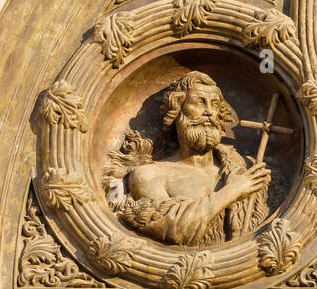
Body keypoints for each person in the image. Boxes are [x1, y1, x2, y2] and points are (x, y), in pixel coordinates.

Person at [113, 71, 270, 245]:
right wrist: (233, 191)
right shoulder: (149, 175)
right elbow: (172, 228)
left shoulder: (246, 169)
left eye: (215, 104)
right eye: (199, 102)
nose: (209, 112)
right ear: (177, 110)